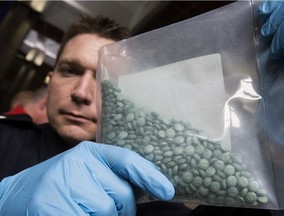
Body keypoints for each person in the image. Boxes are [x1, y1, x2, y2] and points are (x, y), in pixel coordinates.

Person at [0, 15, 178, 216]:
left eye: (104, 78)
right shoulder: (4, 138)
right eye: (69, 71)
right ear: (51, 78)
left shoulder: (150, 183)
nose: (81, 93)